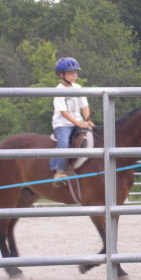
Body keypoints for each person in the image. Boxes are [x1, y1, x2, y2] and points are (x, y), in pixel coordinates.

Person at [49, 57, 95, 187]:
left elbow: (85, 106)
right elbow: (64, 113)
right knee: (63, 143)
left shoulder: (78, 87)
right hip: (63, 124)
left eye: (75, 72)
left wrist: (86, 119)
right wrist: (78, 123)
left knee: (94, 136)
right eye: (71, 73)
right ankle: (58, 171)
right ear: (61, 75)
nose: (75, 75)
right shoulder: (59, 90)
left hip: (79, 121)